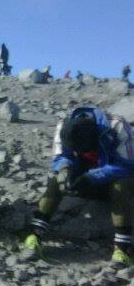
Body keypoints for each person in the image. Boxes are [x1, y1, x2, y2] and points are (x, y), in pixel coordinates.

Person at [24, 107, 134, 265]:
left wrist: (91, 178)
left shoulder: (117, 126)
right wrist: (65, 169)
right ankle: (34, 236)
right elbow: (61, 157)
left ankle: (123, 250)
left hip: (113, 177)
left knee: (121, 184)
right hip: (83, 177)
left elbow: (127, 165)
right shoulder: (64, 126)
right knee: (58, 179)